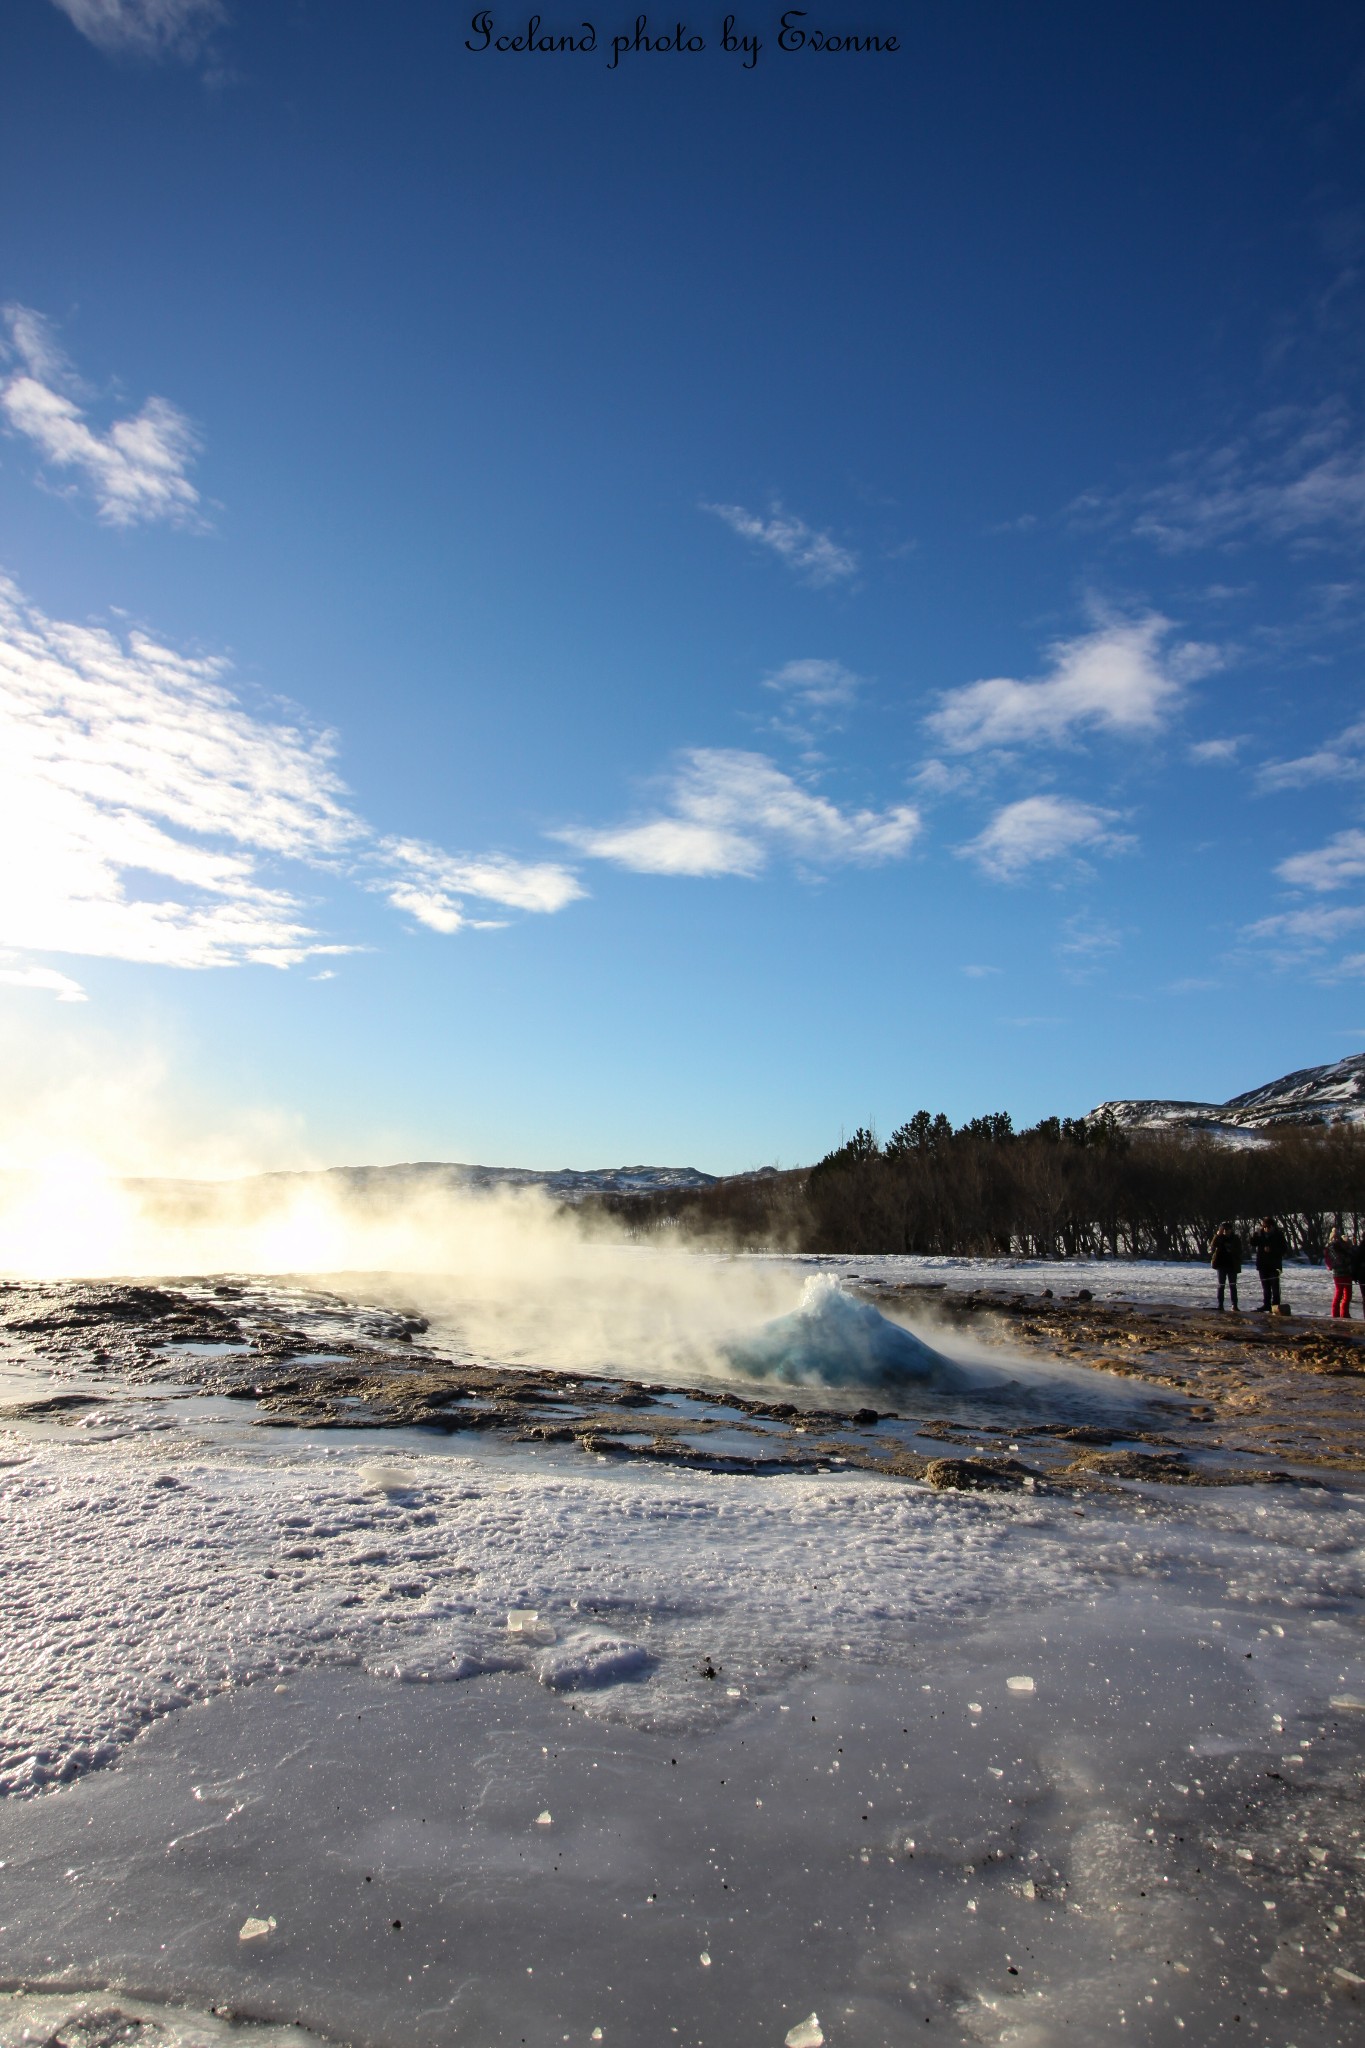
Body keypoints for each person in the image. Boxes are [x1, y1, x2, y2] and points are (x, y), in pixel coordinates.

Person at [1250, 1215, 1287, 1312]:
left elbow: (1284, 1249)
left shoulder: (1278, 1235)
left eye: (1268, 1227)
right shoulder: (1260, 1234)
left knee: (1275, 1286)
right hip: (1263, 1264)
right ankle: (1266, 1304)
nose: (1266, 1229)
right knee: (1265, 1287)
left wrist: (1272, 1250)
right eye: (1264, 1227)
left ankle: (1275, 1305)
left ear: (1272, 1227)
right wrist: (1254, 1236)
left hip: (1274, 1265)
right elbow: (1253, 1243)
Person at [1209, 1220, 1243, 1311]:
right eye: (1223, 1229)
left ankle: (1234, 1304)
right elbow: (1212, 1245)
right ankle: (1220, 1304)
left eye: (1227, 1229)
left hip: (1232, 1264)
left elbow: (1239, 1250)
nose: (1225, 1231)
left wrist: (1231, 1249)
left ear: (1230, 1230)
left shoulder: (1235, 1238)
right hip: (1221, 1265)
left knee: (1232, 1285)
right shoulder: (1219, 1237)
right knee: (1221, 1285)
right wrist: (1217, 1235)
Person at [1325, 1226, 1355, 1319]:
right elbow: (1337, 1260)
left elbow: (1349, 1256)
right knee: (1339, 1294)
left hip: (1347, 1273)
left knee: (1348, 1295)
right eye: (1334, 1237)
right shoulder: (1330, 1248)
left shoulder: (1344, 1246)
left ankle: (1345, 1314)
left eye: (1337, 1237)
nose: (1336, 1239)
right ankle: (1335, 1314)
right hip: (1338, 1274)